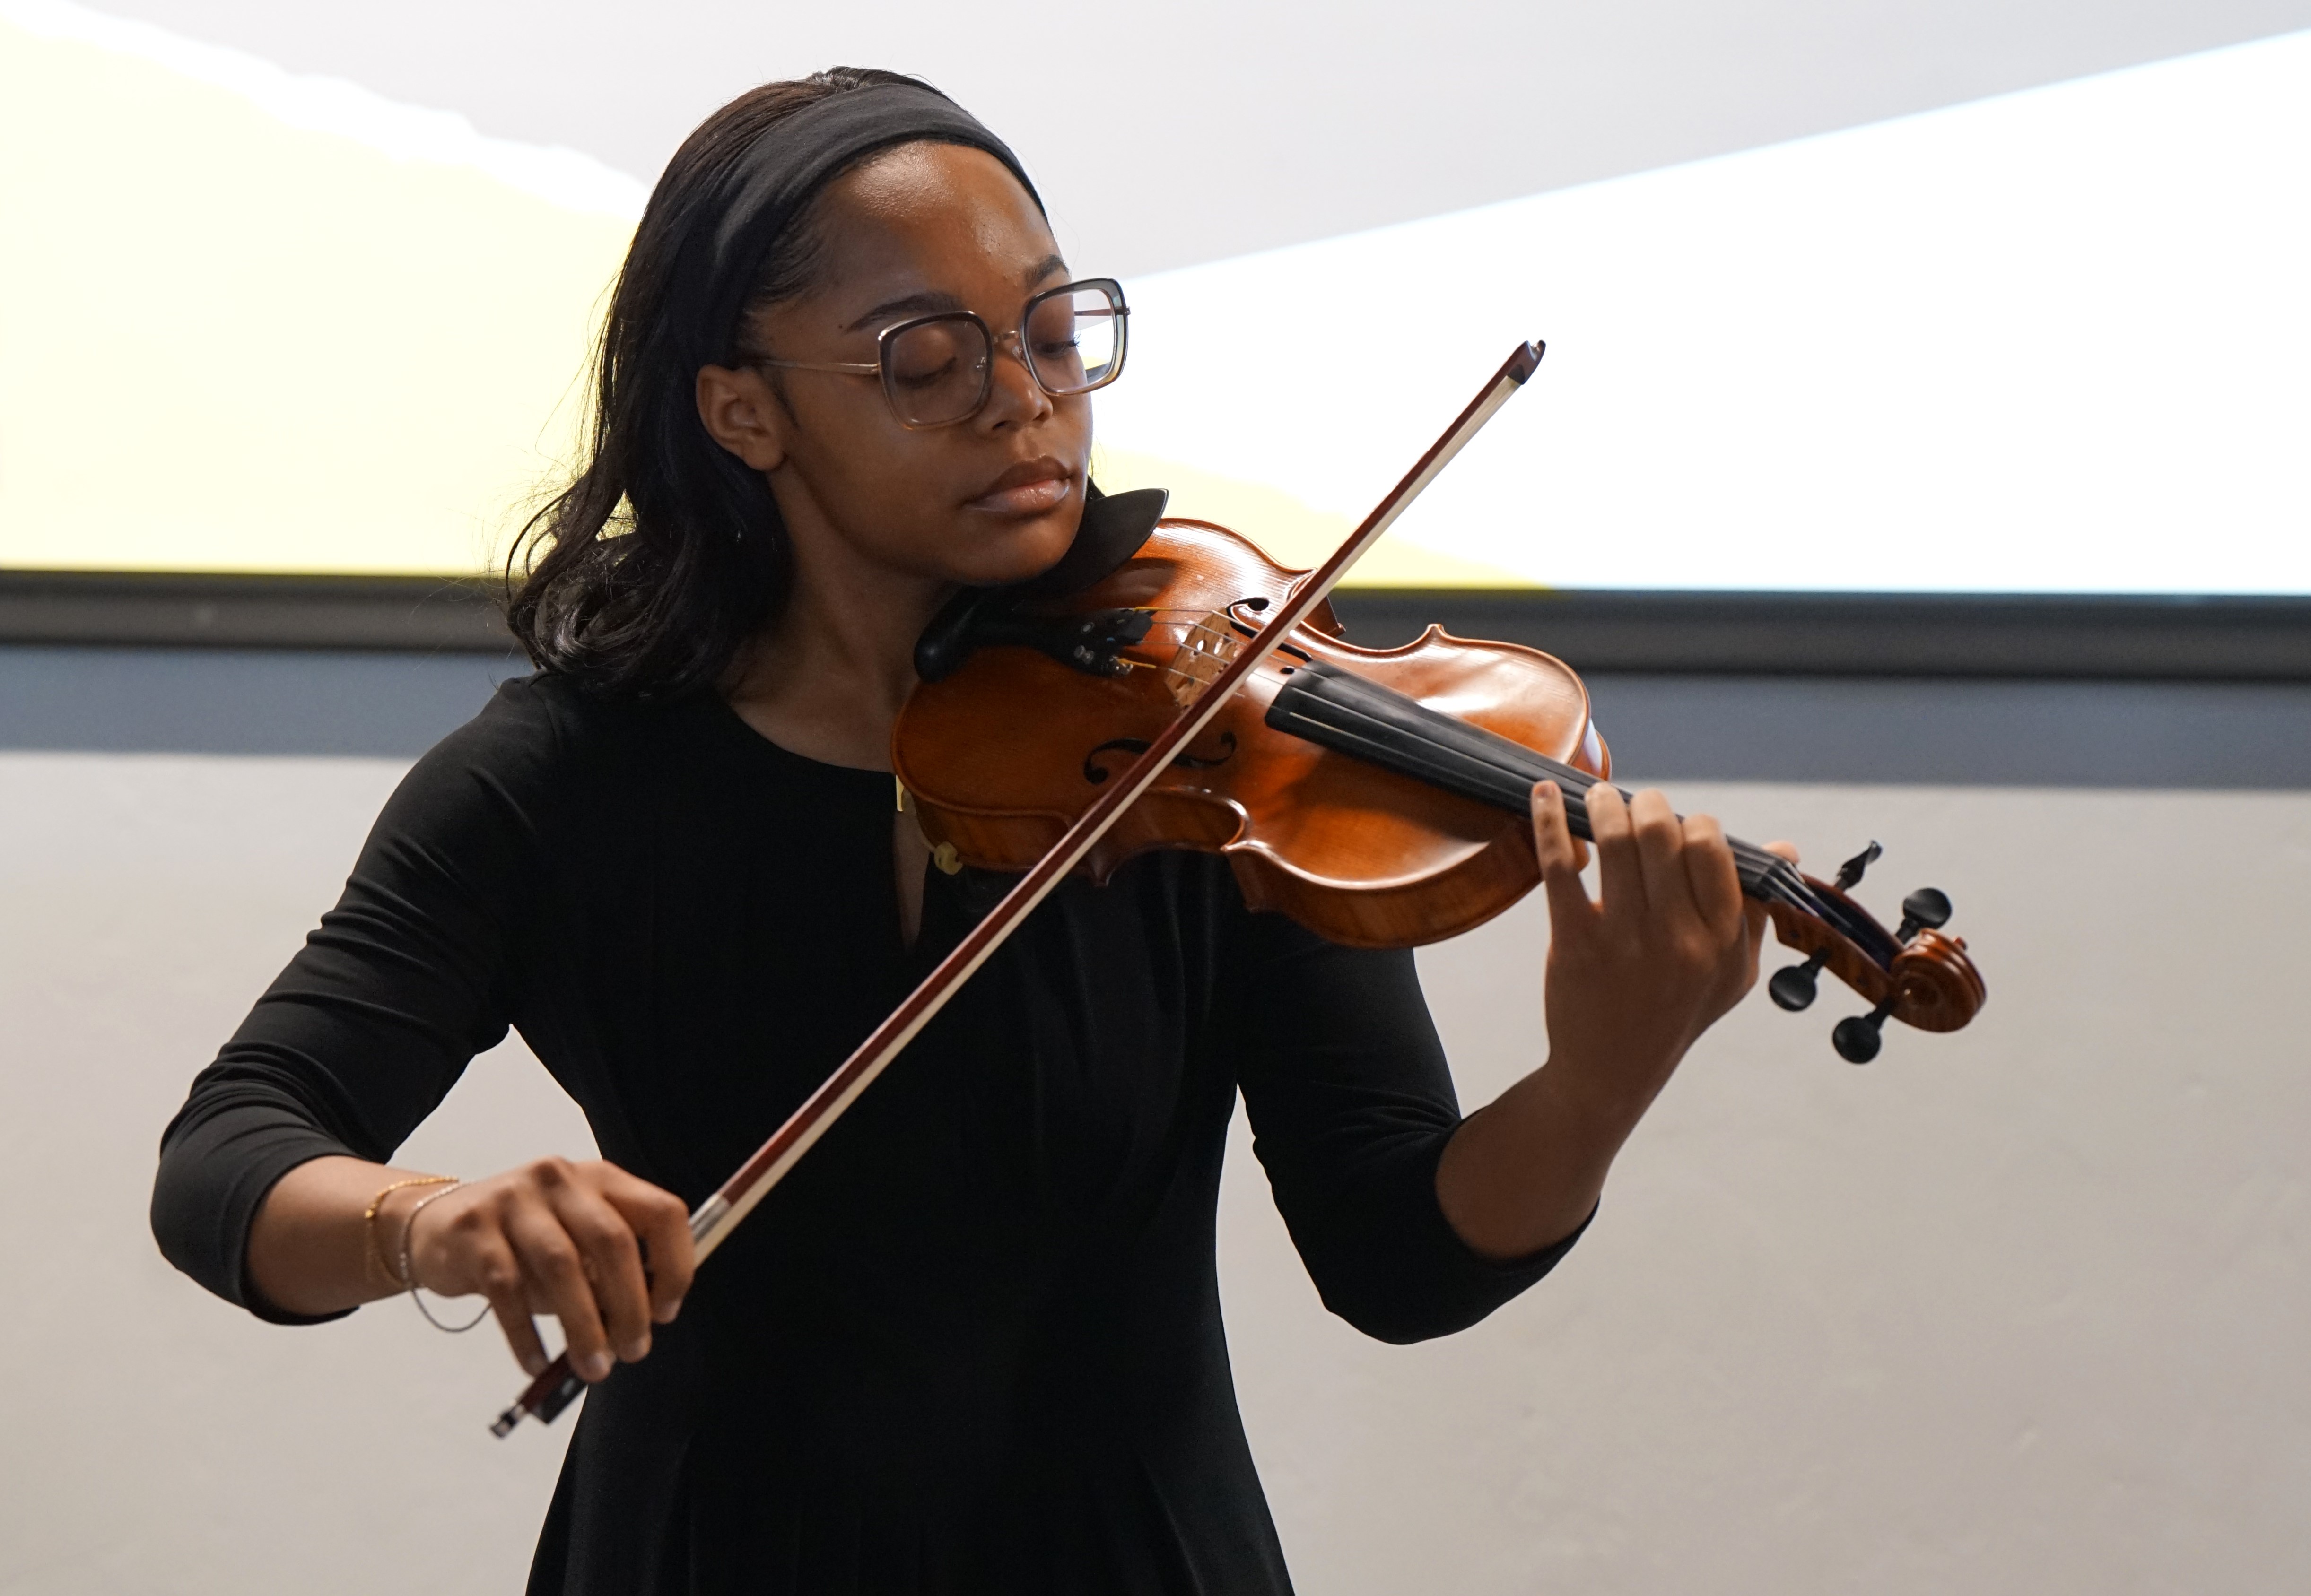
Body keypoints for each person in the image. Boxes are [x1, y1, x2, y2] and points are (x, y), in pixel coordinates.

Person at [151, 68, 1786, 1595]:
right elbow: (229, 1160)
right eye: (928, 360)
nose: (1026, 407)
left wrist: (1598, 1078)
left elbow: (1399, 1255)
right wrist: (424, 1223)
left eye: (1056, 335)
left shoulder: (1211, 752)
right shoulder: (566, 781)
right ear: (742, 412)